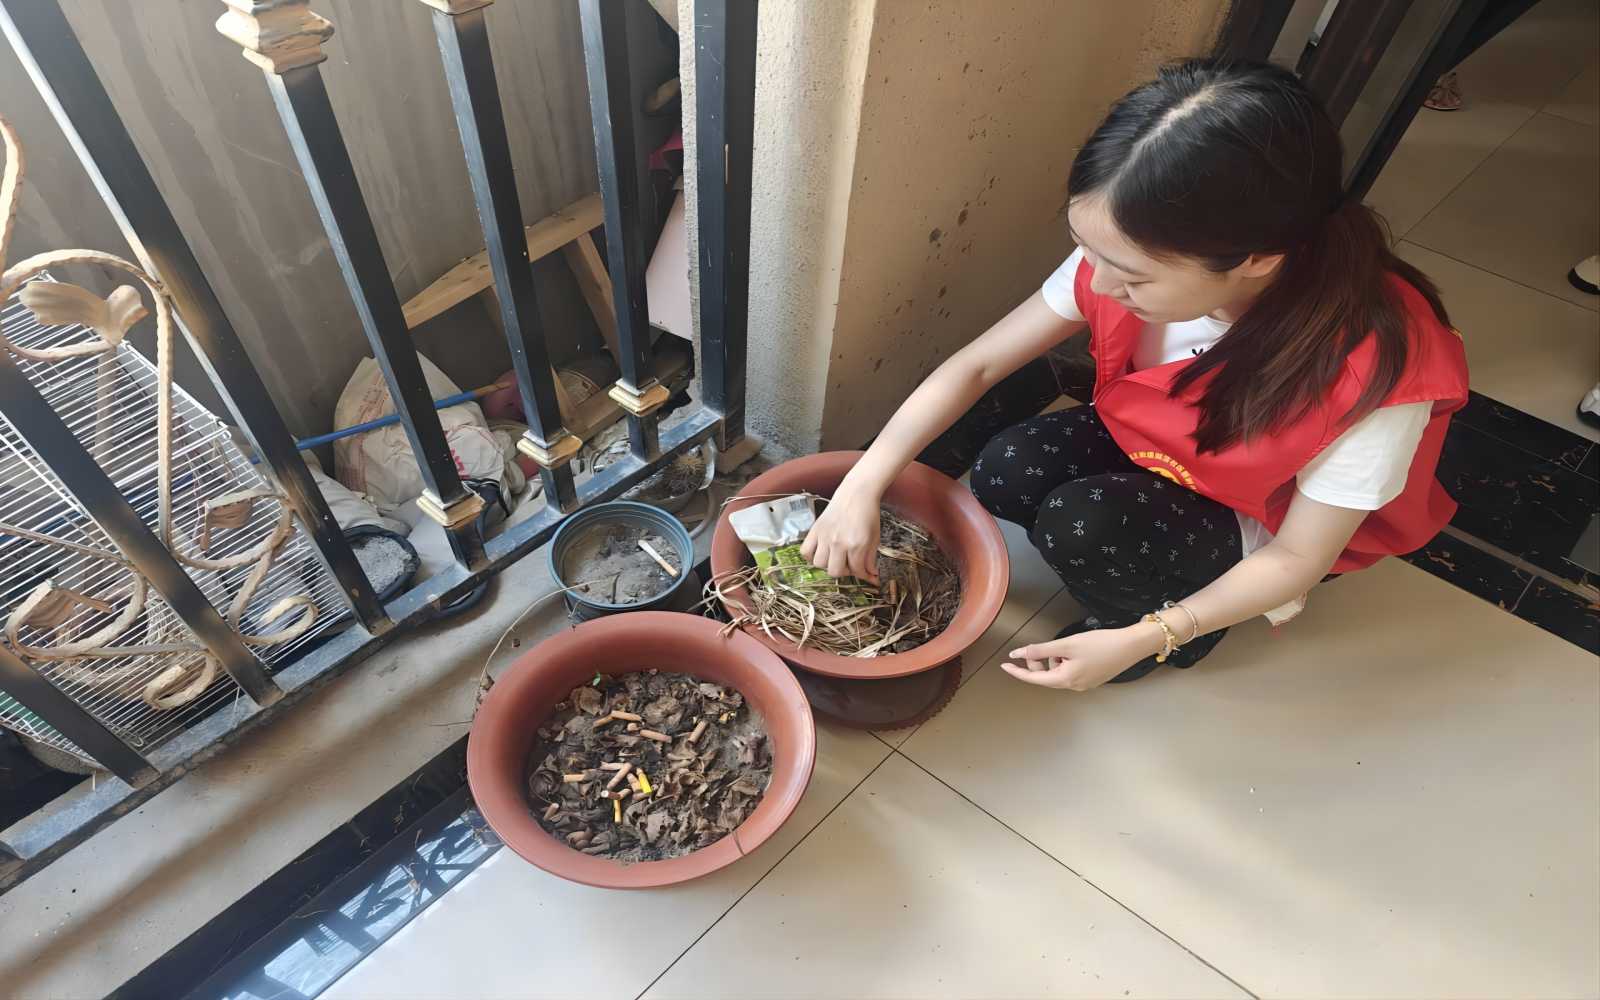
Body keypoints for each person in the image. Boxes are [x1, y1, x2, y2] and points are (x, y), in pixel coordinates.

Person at [801, 59, 1469, 691]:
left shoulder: (1380, 372)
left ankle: (1182, 622)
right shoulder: (1124, 249)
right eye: (1086, 249)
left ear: (1257, 259)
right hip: (1170, 448)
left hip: (1260, 514)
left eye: (1133, 275)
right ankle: (1136, 562)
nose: (1098, 282)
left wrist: (1148, 636)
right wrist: (863, 482)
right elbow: (977, 365)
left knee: (1083, 524)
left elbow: (1299, 557)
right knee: (1006, 468)